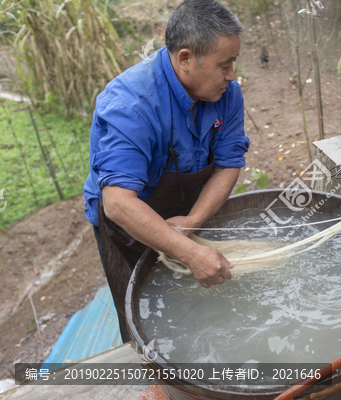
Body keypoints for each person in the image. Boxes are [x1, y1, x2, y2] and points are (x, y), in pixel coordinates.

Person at [82, 0, 249, 342]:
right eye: (224, 65)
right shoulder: (131, 104)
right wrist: (188, 253)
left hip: (188, 210)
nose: (232, 75)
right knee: (148, 320)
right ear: (185, 58)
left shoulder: (227, 94)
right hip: (128, 224)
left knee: (204, 307)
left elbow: (228, 164)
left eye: (233, 62)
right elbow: (118, 203)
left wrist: (193, 221)